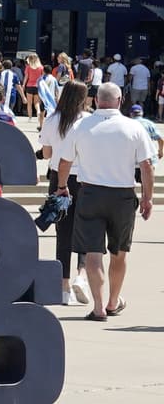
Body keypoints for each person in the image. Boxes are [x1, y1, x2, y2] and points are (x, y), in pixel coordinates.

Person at [56, 83, 154, 321]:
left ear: (96, 100)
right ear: (120, 100)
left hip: (90, 193)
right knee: (119, 252)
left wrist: (61, 187)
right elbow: (147, 166)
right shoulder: (134, 127)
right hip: (122, 196)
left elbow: (65, 161)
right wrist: (147, 197)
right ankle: (113, 302)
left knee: (93, 252)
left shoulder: (81, 125)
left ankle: (98, 307)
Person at [40, 80, 91, 306]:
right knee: (87, 229)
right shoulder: (87, 121)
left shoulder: (52, 119)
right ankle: (82, 274)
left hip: (58, 178)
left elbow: (47, 151)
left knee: (63, 232)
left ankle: (63, 286)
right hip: (85, 177)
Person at [21, 54, 43, 120]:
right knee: (36, 102)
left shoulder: (28, 67)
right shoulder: (41, 67)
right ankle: (38, 111)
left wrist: (23, 85)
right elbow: (42, 78)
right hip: (37, 86)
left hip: (29, 86)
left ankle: (30, 117)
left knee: (29, 103)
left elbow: (26, 77)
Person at [37, 65, 58, 129]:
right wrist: (57, 97)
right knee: (52, 113)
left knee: (42, 112)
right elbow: (56, 89)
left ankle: (41, 126)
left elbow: (39, 89)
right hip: (52, 98)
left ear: (43, 71)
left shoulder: (40, 79)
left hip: (44, 98)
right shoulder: (54, 79)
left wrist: (39, 98)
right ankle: (51, 127)